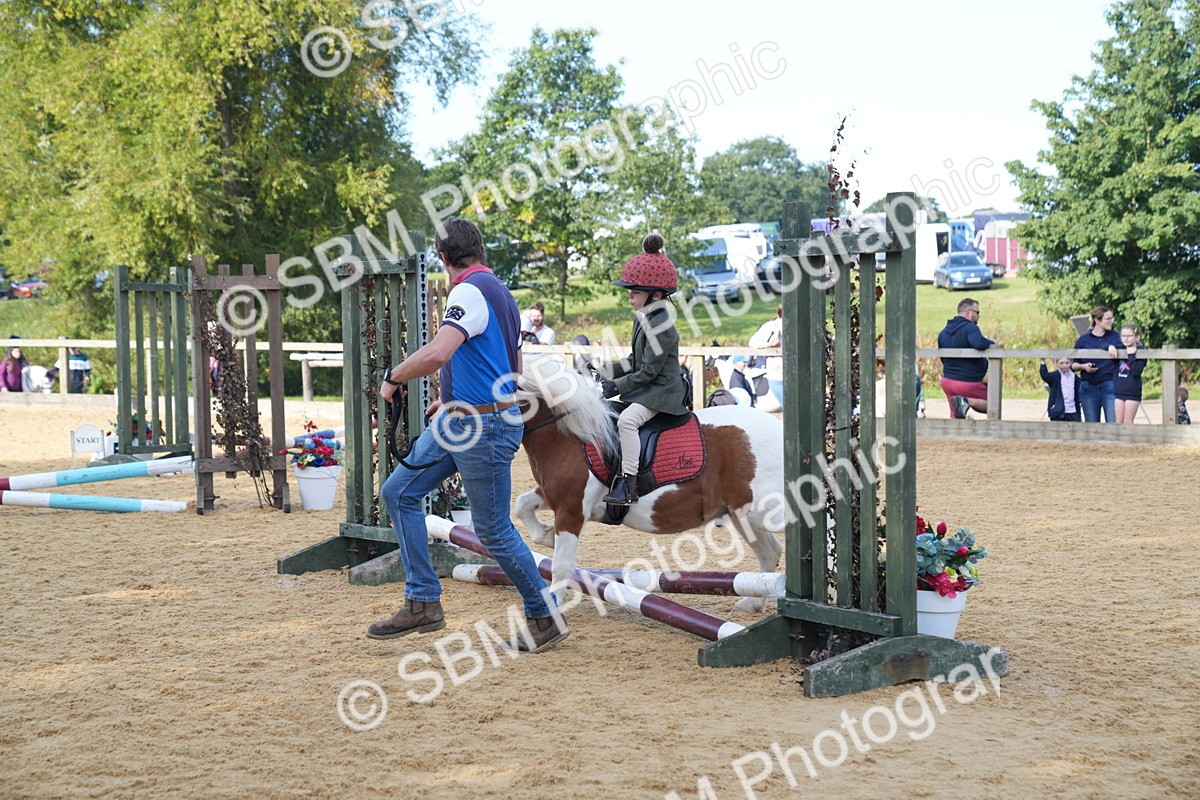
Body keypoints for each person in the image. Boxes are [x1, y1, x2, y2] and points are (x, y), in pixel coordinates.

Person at [368, 218, 566, 654]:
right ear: (479, 249)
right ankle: (422, 600)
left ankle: (543, 613)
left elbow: (440, 351)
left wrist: (393, 376)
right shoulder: (501, 293)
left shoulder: (468, 291)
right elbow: (506, 367)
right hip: (464, 420)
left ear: (443, 259)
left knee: (493, 530)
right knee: (399, 492)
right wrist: (454, 399)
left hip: (482, 426)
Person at [599, 233, 689, 506]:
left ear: (657, 295)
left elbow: (648, 372)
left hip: (662, 392)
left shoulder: (660, 326)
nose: (629, 296)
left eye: (635, 292)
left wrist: (615, 387)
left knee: (627, 421)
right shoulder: (644, 318)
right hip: (649, 385)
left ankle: (629, 484)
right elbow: (633, 360)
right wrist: (606, 371)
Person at [937, 298, 994, 418]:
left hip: (947, 381)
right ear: (968, 313)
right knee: (993, 404)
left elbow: (943, 359)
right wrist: (992, 343)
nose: (979, 316)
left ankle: (954, 434)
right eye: (977, 312)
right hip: (967, 382)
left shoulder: (943, 333)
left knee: (956, 414)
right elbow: (978, 343)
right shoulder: (970, 328)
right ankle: (966, 401)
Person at [1071, 306, 1122, 423]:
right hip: (1088, 386)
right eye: (1108, 319)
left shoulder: (1117, 336)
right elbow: (1072, 365)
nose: (1111, 321)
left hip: (1110, 385)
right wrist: (1083, 367)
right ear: (1097, 320)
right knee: (1091, 424)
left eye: (1112, 318)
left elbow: (1133, 345)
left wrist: (1113, 347)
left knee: (1113, 423)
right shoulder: (1083, 340)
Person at [748, 303, 784, 409]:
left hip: (797, 374)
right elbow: (752, 342)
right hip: (777, 374)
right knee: (790, 409)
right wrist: (769, 345)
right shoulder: (771, 326)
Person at [1112, 324, 1145, 424]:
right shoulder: (1120, 347)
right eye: (1123, 336)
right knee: (1118, 422)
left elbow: (1136, 371)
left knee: (1127, 422)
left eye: (1129, 336)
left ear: (1137, 337)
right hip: (1119, 391)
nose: (1126, 339)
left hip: (1132, 392)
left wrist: (1131, 355)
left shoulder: (1141, 351)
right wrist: (1110, 347)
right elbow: (1103, 345)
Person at [1040, 356, 1081, 422]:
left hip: (1073, 410)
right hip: (1058, 411)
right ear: (1057, 363)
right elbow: (1045, 375)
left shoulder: (1074, 377)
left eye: (1067, 363)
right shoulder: (1055, 376)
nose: (1064, 365)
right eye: (1061, 363)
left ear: (1071, 363)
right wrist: (1042, 361)